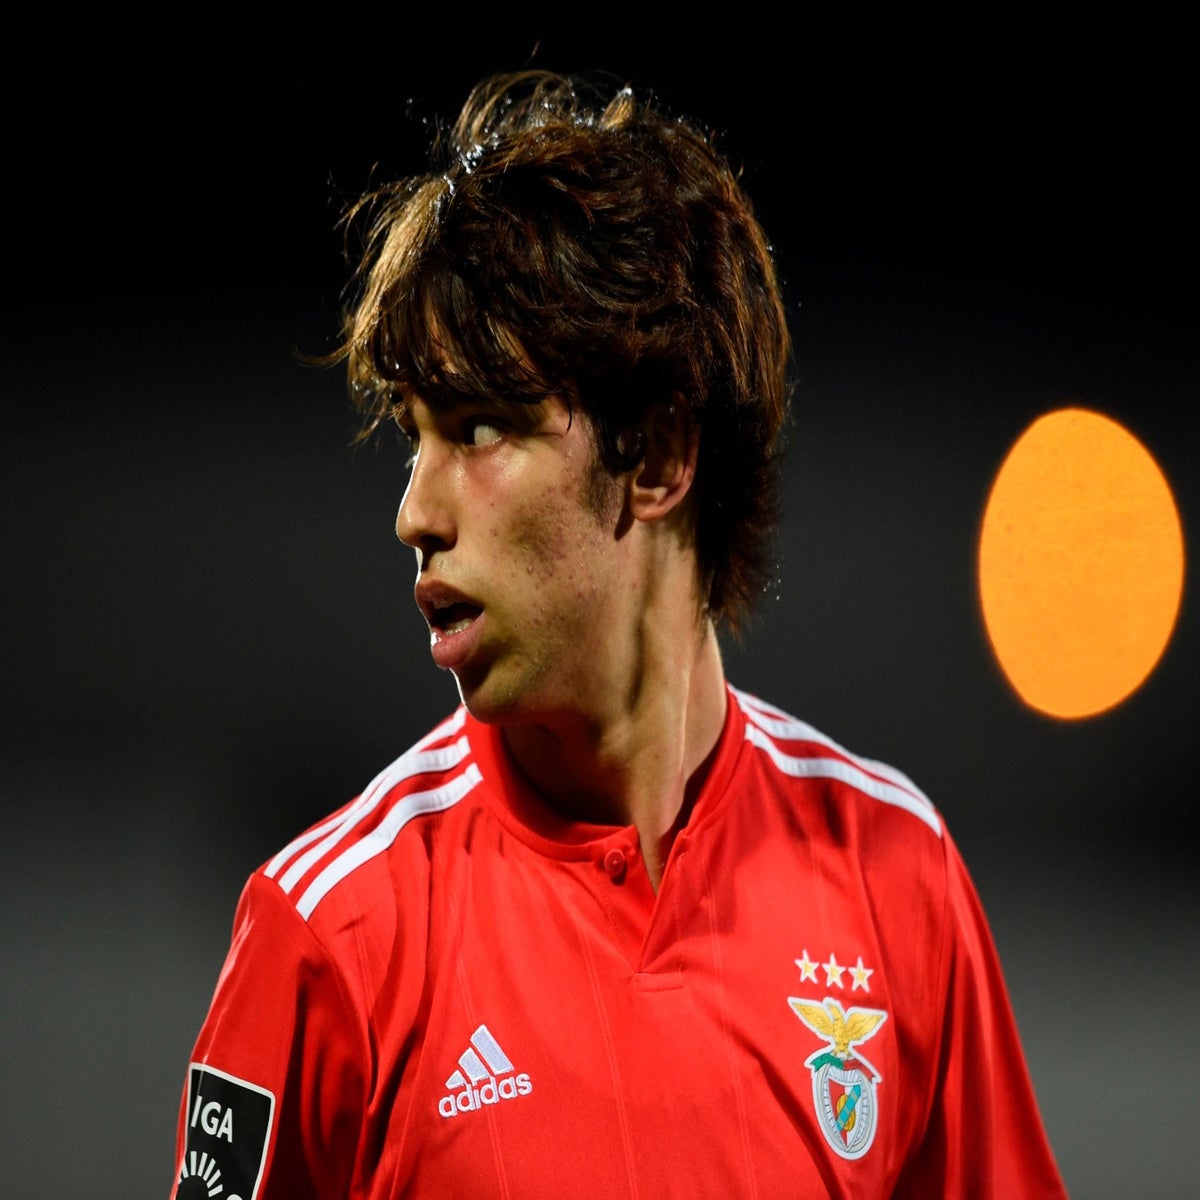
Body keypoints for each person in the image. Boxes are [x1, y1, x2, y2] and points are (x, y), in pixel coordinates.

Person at [169, 69, 1067, 1198]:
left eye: (480, 426)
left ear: (656, 458)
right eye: (415, 435)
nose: (415, 511)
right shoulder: (329, 932)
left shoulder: (898, 881)